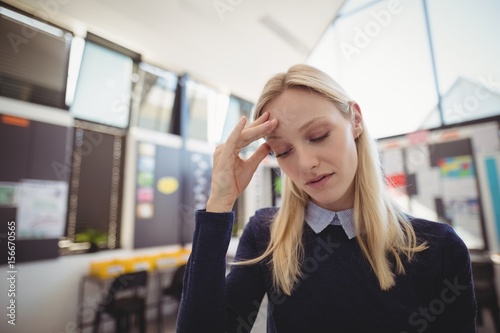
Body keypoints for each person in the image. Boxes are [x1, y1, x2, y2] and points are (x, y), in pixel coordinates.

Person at [176, 64, 477, 332]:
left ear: (355, 120)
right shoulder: (266, 235)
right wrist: (219, 202)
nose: (305, 164)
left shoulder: (439, 248)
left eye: (318, 135)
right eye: (284, 151)